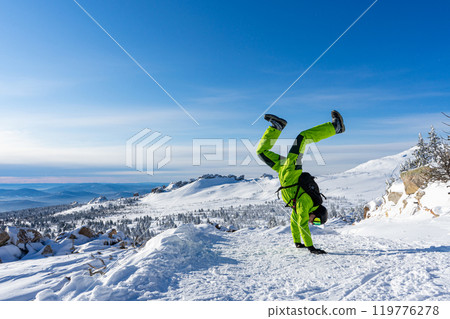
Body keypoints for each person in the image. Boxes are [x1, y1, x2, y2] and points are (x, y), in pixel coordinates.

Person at [256, 111, 345, 254]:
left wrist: (297, 242)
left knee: (261, 152)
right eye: (316, 221)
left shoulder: (300, 208)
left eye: (315, 223)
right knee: (302, 138)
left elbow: (294, 222)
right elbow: (303, 225)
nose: (312, 223)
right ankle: (336, 127)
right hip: (292, 168)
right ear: (317, 213)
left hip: (282, 169)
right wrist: (311, 247)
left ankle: (277, 127)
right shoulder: (306, 204)